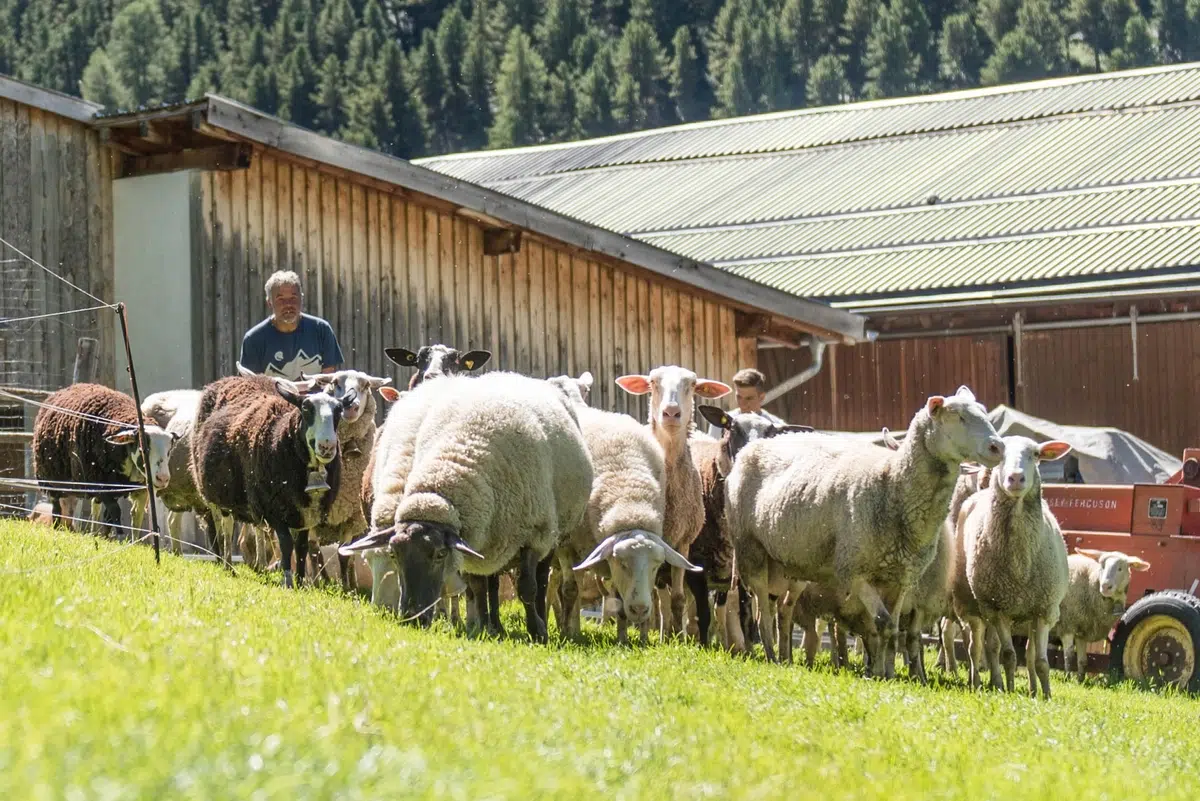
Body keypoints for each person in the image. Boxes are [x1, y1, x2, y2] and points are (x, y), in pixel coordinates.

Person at [239, 270, 344, 380]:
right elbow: (251, 388)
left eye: (293, 298)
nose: (288, 304)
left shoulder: (322, 330)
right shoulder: (254, 339)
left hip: (315, 397)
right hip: (271, 397)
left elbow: (328, 381)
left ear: (301, 299)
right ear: (269, 302)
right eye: (280, 299)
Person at [705, 367, 786, 438]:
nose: (743, 405)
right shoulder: (719, 425)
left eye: (749, 398)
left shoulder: (777, 426)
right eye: (739, 397)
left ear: (761, 397)